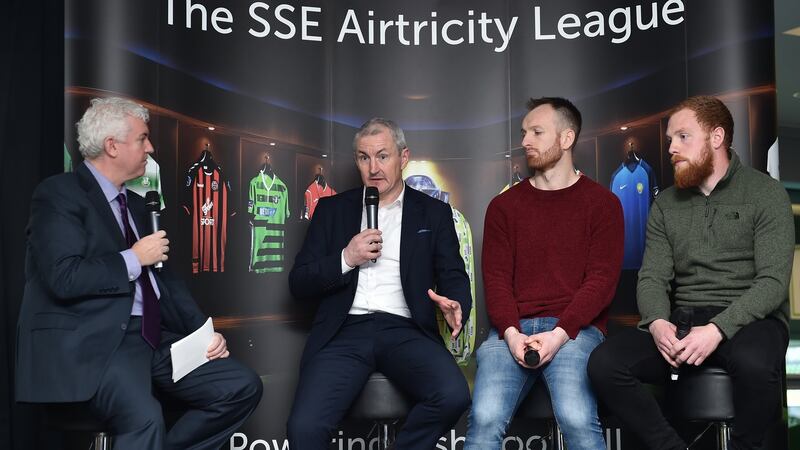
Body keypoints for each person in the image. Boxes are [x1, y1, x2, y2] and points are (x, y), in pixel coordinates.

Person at [15, 97, 262, 449]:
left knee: (240, 387)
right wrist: (132, 258)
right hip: (99, 344)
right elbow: (63, 277)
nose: (151, 147)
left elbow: (167, 283)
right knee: (144, 417)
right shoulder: (59, 194)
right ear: (112, 146)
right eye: (143, 138)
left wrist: (203, 334)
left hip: (153, 339)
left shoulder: (137, 204)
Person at [588, 95, 794, 450]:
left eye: (683, 137)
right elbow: (652, 277)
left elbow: (774, 282)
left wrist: (718, 329)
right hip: (685, 319)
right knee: (604, 363)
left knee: (755, 365)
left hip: (750, 321)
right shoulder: (666, 204)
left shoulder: (766, 193)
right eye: (670, 139)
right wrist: (656, 321)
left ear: (717, 138)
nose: (671, 148)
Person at [287, 118, 472, 449]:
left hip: (405, 329)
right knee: (304, 428)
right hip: (344, 331)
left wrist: (457, 303)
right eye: (363, 157)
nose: (373, 168)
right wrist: (347, 257)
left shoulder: (433, 213)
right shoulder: (331, 210)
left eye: (383, 156)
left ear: (403, 158)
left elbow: (453, 275)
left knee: (453, 395)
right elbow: (299, 283)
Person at [464, 97, 624, 450]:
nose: (526, 141)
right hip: (512, 331)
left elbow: (600, 282)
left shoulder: (602, 204)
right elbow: (497, 281)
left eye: (537, 132)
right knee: (485, 419)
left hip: (575, 331)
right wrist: (511, 335)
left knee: (577, 418)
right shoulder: (504, 206)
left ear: (566, 139)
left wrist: (558, 335)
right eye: (524, 132)